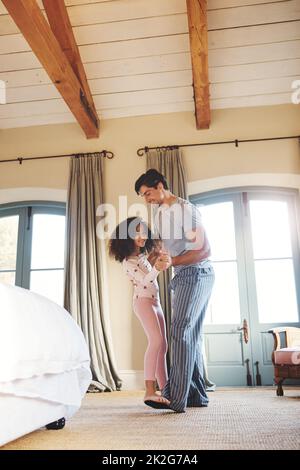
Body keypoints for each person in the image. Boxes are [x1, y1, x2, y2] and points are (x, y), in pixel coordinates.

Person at [134, 169, 215, 413]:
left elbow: (205, 251)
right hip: (183, 275)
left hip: (197, 272)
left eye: (148, 193)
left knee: (180, 332)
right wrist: (145, 261)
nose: (146, 199)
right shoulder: (160, 213)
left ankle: (175, 398)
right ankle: (195, 395)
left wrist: (172, 263)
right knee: (189, 335)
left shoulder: (185, 210)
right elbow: (163, 247)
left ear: (160, 185)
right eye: (143, 196)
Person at [109, 216, 170, 407]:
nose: (143, 235)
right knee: (156, 341)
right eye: (137, 232)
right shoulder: (128, 262)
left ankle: (166, 388)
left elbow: (151, 265)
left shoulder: (142, 258)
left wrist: (156, 258)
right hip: (143, 303)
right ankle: (149, 390)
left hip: (155, 302)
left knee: (164, 345)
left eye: (144, 231)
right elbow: (145, 280)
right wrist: (158, 268)